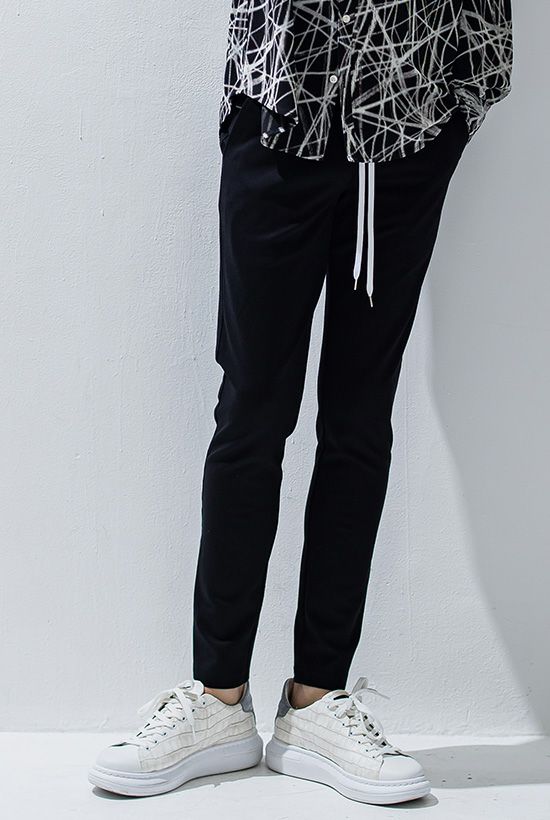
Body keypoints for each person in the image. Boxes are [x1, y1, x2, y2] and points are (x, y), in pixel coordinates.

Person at [89, 0, 513, 804]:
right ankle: (217, 700)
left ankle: (317, 701)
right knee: (250, 413)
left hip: (407, 119)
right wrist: (249, 88)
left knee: (359, 420)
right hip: (281, 107)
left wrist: (464, 97)